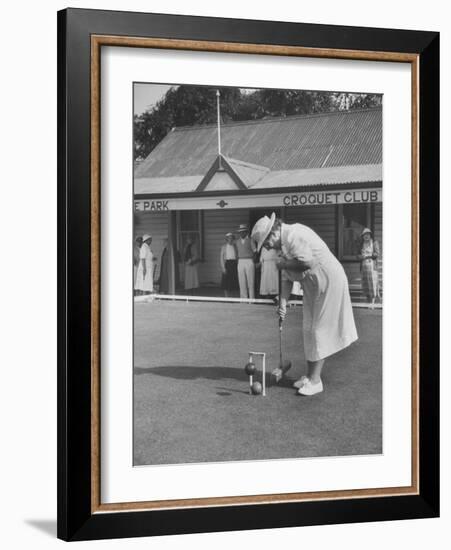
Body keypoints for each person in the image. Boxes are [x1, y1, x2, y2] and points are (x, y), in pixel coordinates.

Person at [251, 213, 358, 396]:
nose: (266, 247)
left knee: (319, 330)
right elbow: (286, 279)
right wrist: (283, 304)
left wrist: (284, 264)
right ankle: (309, 376)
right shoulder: (282, 247)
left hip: (329, 281)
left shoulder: (294, 235)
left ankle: (316, 381)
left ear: (272, 234)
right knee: (308, 329)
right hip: (313, 286)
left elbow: (307, 262)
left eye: (265, 243)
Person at [357, 228, 380, 309]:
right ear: (363, 236)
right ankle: (368, 302)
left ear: (370, 235)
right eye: (364, 235)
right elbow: (358, 255)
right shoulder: (361, 244)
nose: (366, 236)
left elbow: (377, 254)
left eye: (368, 234)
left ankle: (373, 303)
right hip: (364, 266)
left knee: (372, 283)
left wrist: (369, 255)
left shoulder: (374, 242)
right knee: (366, 284)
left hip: (372, 266)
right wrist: (361, 256)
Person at [236, 223, 256, 299]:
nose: (241, 233)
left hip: (249, 261)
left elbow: (255, 252)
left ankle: (251, 299)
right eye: (240, 232)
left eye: (243, 231)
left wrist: (253, 261)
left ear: (246, 232)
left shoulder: (251, 240)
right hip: (240, 261)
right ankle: (243, 299)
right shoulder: (237, 241)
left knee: (250, 281)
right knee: (241, 281)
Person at [219, 232, 239, 297]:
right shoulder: (224, 247)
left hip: (234, 264)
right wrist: (223, 268)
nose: (230, 239)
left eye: (231, 238)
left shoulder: (235, 246)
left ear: (233, 239)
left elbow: (237, 256)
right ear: (227, 239)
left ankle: (233, 297)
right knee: (226, 281)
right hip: (227, 264)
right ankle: (226, 297)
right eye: (229, 238)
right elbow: (221, 258)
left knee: (234, 281)